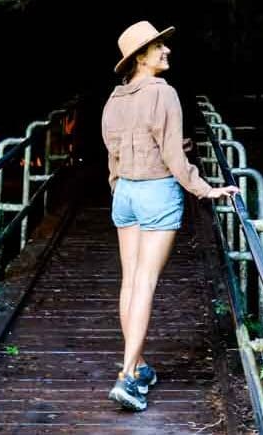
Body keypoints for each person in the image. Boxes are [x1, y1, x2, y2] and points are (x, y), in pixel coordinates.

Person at [102, 20, 238, 412]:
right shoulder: (164, 94)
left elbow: (115, 152)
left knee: (130, 281)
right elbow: (174, 160)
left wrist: (119, 185)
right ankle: (127, 377)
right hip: (157, 192)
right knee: (145, 282)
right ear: (140, 57)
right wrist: (205, 188)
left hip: (124, 192)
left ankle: (139, 364)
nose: (167, 51)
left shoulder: (115, 99)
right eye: (158, 46)